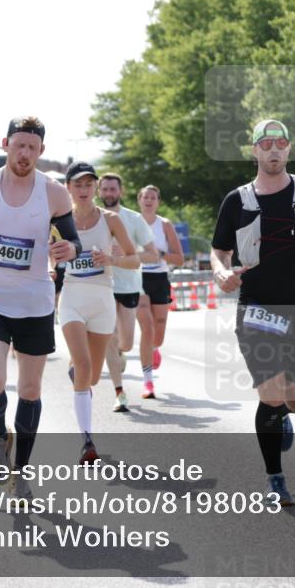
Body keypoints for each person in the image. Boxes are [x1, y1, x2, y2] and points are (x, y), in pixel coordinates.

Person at [210, 119, 295, 505]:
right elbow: (218, 251)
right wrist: (221, 272)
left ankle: (285, 413)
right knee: (270, 395)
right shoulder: (237, 200)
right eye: (265, 143)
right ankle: (275, 477)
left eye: (280, 143)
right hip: (255, 310)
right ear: (254, 150)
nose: (273, 149)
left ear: (288, 150)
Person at [0, 116, 81, 500]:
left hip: (34, 300)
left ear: (41, 151)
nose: (24, 154)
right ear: (5, 143)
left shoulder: (55, 194)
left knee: (29, 388)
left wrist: (69, 250)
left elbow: (72, 241)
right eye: (18, 145)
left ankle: (20, 472)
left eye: (32, 148)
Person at [59, 162, 139, 461]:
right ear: (68, 187)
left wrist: (110, 259)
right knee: (82, 365)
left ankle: (78, 374)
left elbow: (134, 259)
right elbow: (42, 255)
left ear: (94, 188)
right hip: (71, 299)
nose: (83, 190)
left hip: (102, 298)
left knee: (91, 377)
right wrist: (51, 264)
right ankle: (87, 441)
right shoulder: (57, 219)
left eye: (88, 184)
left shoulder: (111, 220)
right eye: (77, 185)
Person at [98, 172, 159, 412]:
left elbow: (153, 254)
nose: (109, 194)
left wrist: (126, 254)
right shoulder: (93, 218)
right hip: (102, 286)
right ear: (99, 192)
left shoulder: (133, 219)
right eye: (105, 189)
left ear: (120, 192)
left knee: (126, 342)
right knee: (109, 338)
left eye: (113, 189)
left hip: (130, 287)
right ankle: (119, 392)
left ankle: (121, 353)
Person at [136, 184, 184, 398]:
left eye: (152, 197)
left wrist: (160, 253)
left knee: (159, 330)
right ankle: (148, 382)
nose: (148, 200)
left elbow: (180, 259)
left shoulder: (164, 224)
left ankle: (154, 349)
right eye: (145, 197)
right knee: (146, 326)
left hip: (160, 278)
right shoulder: (131, 222)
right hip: (137, 279)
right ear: (139, 200)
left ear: (158, 202)